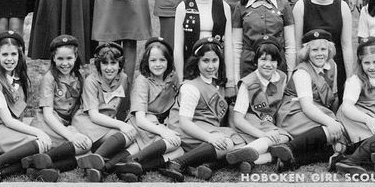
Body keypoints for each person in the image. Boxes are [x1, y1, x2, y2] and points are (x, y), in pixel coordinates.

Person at [92, 37, 184, 182]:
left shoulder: (173, 77)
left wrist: (167, 126)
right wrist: (163, 131)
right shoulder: (143, 80)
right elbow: (140, 119)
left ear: (169, 61)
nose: (158, 64)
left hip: (159, 125)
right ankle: (107, 167)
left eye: (162, 60)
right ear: (146, 61)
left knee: (179, 151)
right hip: (142, 124)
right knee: (172, 144)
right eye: (153, 60)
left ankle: (131, 167)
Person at [162, 38, 246, 181]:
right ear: (197, 62)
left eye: (215, 60)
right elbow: (184, 122)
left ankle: (205, 166)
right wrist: (210, 138)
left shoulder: (215, 84)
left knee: (240, 142)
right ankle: (178, 162)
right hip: (186, 131)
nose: (211, 66)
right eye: (205, 61)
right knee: (227, 144)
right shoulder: (191, 87)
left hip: (204, 128)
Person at [0, 31, 51, 182]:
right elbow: (7, 120)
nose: (10, 59)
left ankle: (1, 172)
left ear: (20, 55)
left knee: (38, 147)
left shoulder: (17, 77)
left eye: (14, 54)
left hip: (10, 129)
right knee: (38, 143)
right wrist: (37, 132)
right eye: (5, 55)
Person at [271, 30, 347, 171]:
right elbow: (307, 107)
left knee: (339, 138)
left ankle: (292, 160)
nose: (319, 53)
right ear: (307, 52)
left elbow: (334, 97)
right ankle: (287, 147)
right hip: (294, 112)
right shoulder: (302, 72)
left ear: (329, 49)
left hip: (317, 110)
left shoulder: (332, 65)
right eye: (314, 50)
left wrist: (335, 120)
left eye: (323, 49)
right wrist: (331, 122)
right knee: (329, 132)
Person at [21, 35, 91, 182]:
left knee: (85, 145)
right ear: (53, 58)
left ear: (76, 56)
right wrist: (70, 135)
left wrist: (75, 130)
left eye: (69, 58)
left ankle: (41, 167)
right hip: (48, 124)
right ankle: (43, 161)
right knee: (80, 147)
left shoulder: (79, 76)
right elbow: (48, 114)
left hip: (66, 125)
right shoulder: (50, 78)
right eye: (60, 59)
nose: (65, 63)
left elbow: (80, 106)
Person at [73, 43, 138, 179]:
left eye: (113, 63)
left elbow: (123, 106)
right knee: (124, 137)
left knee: (131, 136)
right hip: (89, 122)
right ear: (98, 64)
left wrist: (123, 123)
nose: (109, 68)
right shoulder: (92, 80)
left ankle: (104, 166)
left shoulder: (124, 78)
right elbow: (94, 115)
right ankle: (94, 161)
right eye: (104, 63)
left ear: (119, 65)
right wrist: (121, 125)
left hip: (108, 123)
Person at [173, 0, 235, 97]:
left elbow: (229, 45)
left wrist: (230, 80)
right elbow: (178, 46)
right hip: (191, 69)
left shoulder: (223, 7)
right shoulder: (183, 8)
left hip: (215, 69)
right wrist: (181, 78)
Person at [333, 37, 375, 176]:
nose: (372, 67)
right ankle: (351, 161)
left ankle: (343, 159)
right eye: (366, 63)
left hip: (370, 123)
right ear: (360, 63)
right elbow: (346, 107)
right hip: (353, 121)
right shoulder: (356, 80)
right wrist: (368, 120)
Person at [227, 38, 291, 172]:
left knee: (286, 138)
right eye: (263, 59)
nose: (268, 64)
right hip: (249, 123)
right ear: (256, 61)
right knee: (279, 139)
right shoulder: (248, 82)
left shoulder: (281, 77)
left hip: (268, 123)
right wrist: (262, 135)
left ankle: (247, 159)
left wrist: (273, 129)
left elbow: (279, 108)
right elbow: (238, 119)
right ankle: (247, 150)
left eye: (272, 60)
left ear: (278, 62)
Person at [293, 0, 354, 102]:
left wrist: (349, 78)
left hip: (336, 69)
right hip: (310, 70)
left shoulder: (342, 7)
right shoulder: (301, 6)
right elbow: (298, 46)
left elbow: (346, 46)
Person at [232, 0, 296, 82]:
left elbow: (290, 46)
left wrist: (290, 75)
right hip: (249, 68)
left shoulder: (283, 5)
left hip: (277, 67)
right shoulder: (241, 6)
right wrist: (235, 79)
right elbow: (236, 46)